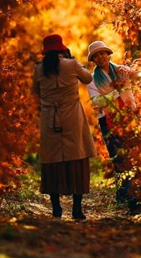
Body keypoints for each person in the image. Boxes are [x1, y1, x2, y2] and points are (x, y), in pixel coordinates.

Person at [33, 34, 97, 220]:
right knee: (76, 157)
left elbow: (35, 93)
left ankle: (56, 209)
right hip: (72, 118)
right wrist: (72, 60)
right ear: (62, 48)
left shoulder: (39, 69)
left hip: (49, 118)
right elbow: (87, 79)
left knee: (52, 160)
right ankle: (77, 209)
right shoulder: (71, 64)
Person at [86, 40, 140, 211]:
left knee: (133, 156)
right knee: (118, 158)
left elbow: (140, 76)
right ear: (93, 60)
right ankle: (123, 196)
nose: (100, 57)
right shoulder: (92, 80)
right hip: (108, 121)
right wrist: (116, 92)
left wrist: (131, 72)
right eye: (96, 55)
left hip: (129, 116)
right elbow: (97, 103)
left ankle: (136, 195)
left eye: (103, 53)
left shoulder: (121, 70)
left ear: (108, 54)